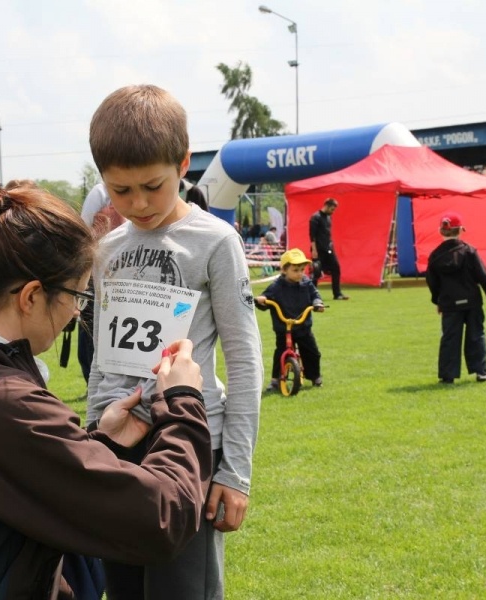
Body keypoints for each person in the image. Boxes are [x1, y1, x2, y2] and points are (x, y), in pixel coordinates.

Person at [0, 176, 213, 598]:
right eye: (76, 296)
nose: (76, 313)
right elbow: (161, 518)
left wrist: (100, 443)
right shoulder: (2, 400)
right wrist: (184, 402)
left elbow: (5, 478)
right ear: (31, 296)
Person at [87, 84, 263, 599]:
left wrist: (235, 471)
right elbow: (102, 359)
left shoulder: (216, 241)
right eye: (120, 190)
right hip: (117, 450)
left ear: (184, 163)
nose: (138, 203)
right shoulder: (106, 249)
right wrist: (94, 440)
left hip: (189, 448)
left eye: (153, 185)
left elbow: (245, 359)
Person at [426, 213, 486, 384]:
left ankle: (447, 376)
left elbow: (432, 281)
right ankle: (481, 372)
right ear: (460, 230)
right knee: (476, 334)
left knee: (450, 337)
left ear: (440, 231)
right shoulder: (469, 251)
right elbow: (482, 275)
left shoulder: (435, 256)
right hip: (472, 301)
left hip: (449, 303)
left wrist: (437, 300)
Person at [256, 248, 325, 391]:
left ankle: (315, 376)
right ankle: (275, 380)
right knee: (280, 352)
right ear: (284, 270)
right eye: (295, 270)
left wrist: (317, 303)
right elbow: (266, 298)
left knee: (312, 352)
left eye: (302, 270)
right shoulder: (276, 286)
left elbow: (315, 295)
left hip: (303, 327)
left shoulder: (306, 283)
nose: (300, 273)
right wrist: (262, 300)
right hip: (284, 328)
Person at [77, 183, 125, 382]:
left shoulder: (103, 193)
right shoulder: (101, 192)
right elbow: (84, 233)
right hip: (98, 275)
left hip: (117, 276)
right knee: (91, 334)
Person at [310, 197, 349, 300]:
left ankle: (337, 294)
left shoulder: (328, 217)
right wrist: (314, 250)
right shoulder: (315, 217)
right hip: (318, 249)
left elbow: (327, 234)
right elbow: (312, 236)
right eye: (332, 209)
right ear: (326, 206)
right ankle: (312, 295)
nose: (333, 211)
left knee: (336, 268)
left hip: (328, 248)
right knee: (316, 272)